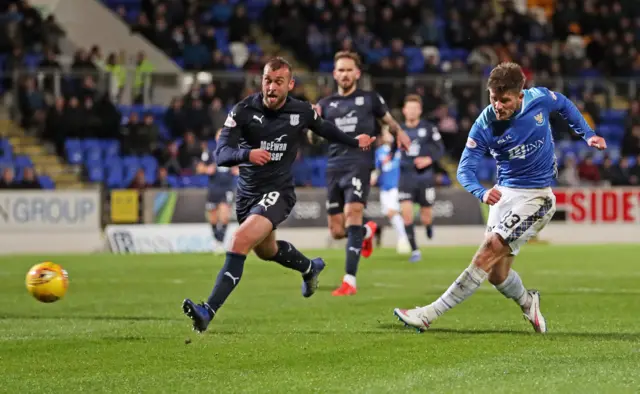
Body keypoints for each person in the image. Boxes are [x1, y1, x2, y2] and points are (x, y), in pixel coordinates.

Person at [393, 62, 607, 333]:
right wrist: (481, 192)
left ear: (521, 95)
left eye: (504, 100)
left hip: (537, 197)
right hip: (504, 194)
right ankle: (528, 301)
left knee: (489, 249)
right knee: (497, 274)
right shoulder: (484, 123)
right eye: (494, 98)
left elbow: (563, 103)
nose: (498, 105)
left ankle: (428, 314)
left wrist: (587, 134)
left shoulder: (538, 99)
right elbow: (464, 170)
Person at [182, 57, 376, 333]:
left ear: (290, 84)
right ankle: (310, 268)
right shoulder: (243, 110)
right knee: (267, 251)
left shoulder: (301, 111)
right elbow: (221, 153)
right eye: (267, 81)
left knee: (239, 241)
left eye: (278, 82)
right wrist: (246, 154)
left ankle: (207, 311)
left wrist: (355, 141)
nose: (271, 88)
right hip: (248, 195)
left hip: (278, 192)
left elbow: (325, 129)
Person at [316, 51, 411, 297]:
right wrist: (311, 121)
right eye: (341, 70)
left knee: (352, 213)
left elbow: (389, 121)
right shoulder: (325, 105)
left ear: (357, 73)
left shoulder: (370, 99)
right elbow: (311, 136)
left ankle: (349, 281)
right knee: (337, 230)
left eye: (349, 70)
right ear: (335, 74)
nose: (345, 74)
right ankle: (367, 231)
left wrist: (400, 133)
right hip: (333, 166)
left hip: (359, 162)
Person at [397, 94, 445, 263]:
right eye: (408, 108)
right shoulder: (399, 130)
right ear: (404, 110)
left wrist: (428, 159)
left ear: (419, 110)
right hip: (406, 177)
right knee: (407, 215)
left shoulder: (429, 128)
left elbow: (440, 149)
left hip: (424, 177)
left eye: (414, 108)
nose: (411, 111)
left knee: (426, 216)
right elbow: (389, 150)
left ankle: (429, 226)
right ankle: (415, 250)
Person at [197, 129, 239, 253]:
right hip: (213, 188)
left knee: (225, 215)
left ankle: (220, 242)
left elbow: (240, 167)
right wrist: (206, 169)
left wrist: (237, 170)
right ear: (216, 138)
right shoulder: (210, 152)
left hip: (227, 188)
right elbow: (199, 168)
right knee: (213, 217)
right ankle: (217, 240)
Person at [370, 130, 410, 254]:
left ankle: (404, 238)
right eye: (384, 134)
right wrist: (374, 177)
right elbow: (377, 168)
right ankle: (404, 236)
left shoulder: (399, 150)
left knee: (392, 211)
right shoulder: (379, 151)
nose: (386, 136)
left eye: (388, 134)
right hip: (384, 186)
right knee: (390, 213)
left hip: (395, 185)